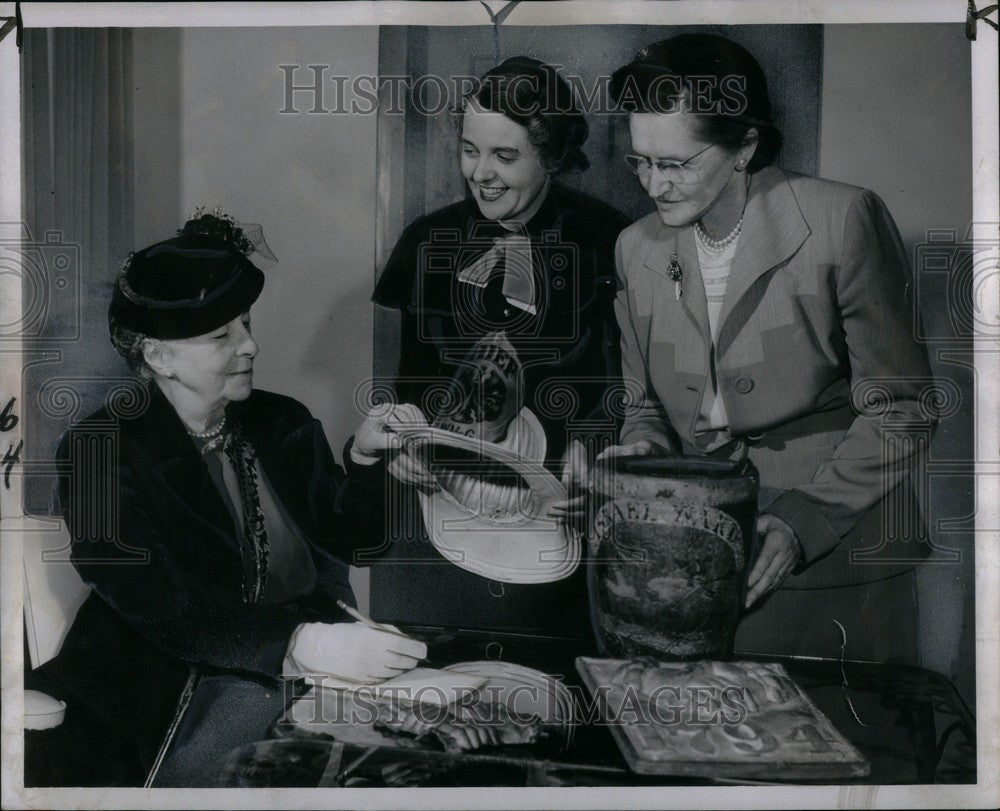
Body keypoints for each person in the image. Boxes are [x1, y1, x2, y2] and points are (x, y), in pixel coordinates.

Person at [25, 212, 426, 787]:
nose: (250, 345)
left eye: (245, 323)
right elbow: (153, 599)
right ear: (157, 356)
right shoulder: (100, 448)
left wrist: (365, 461)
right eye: (221, 335)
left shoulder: (281, 420)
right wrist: (299, 644)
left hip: (298, 679)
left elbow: (362, 544)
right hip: (156, 691)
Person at [602, 34, 935, 662]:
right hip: (699, 561)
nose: (654, 185)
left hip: (840, 565)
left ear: (744, 147)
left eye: (675, 164)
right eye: (640, 163)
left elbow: (903, 406)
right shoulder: (634, 248)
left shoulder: (840, 221)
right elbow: (642, 401)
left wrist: (803, 519)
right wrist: (644, 451)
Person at [367, 57, 630, 640]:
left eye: (504, 157)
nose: (479, 174)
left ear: (553, 158)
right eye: (469, 150)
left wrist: (598, 478)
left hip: (561, 524)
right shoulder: (426, 241)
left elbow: (620, 391)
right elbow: (410, 385)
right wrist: (402, 447)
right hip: (440, 511)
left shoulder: (611, 243)